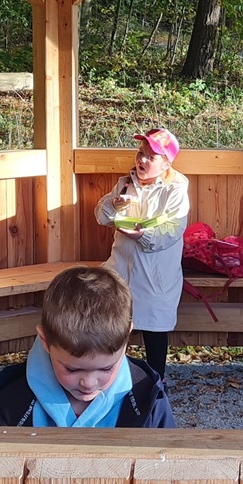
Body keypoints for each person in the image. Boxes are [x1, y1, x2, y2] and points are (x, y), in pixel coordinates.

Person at [0, 265, 175, 428]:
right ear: (46, 341)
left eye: (106, 368)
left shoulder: (148, 397)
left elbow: (169, 455)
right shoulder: (10, 401)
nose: (88, 383)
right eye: (72, 369)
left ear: (126, 340)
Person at [95, 127, 189, 380]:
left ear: (166, 163)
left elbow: (173, 230)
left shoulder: (175, 188)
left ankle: (157, 382)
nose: (142, 160)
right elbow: (101, 216)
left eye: (151, 156)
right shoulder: (125, 183)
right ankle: (112, 378)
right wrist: (113, 205)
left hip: (156, 274)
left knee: (154, 329)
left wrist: (143, 236)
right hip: (120, 266)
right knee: (114, 325)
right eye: (140, 153)